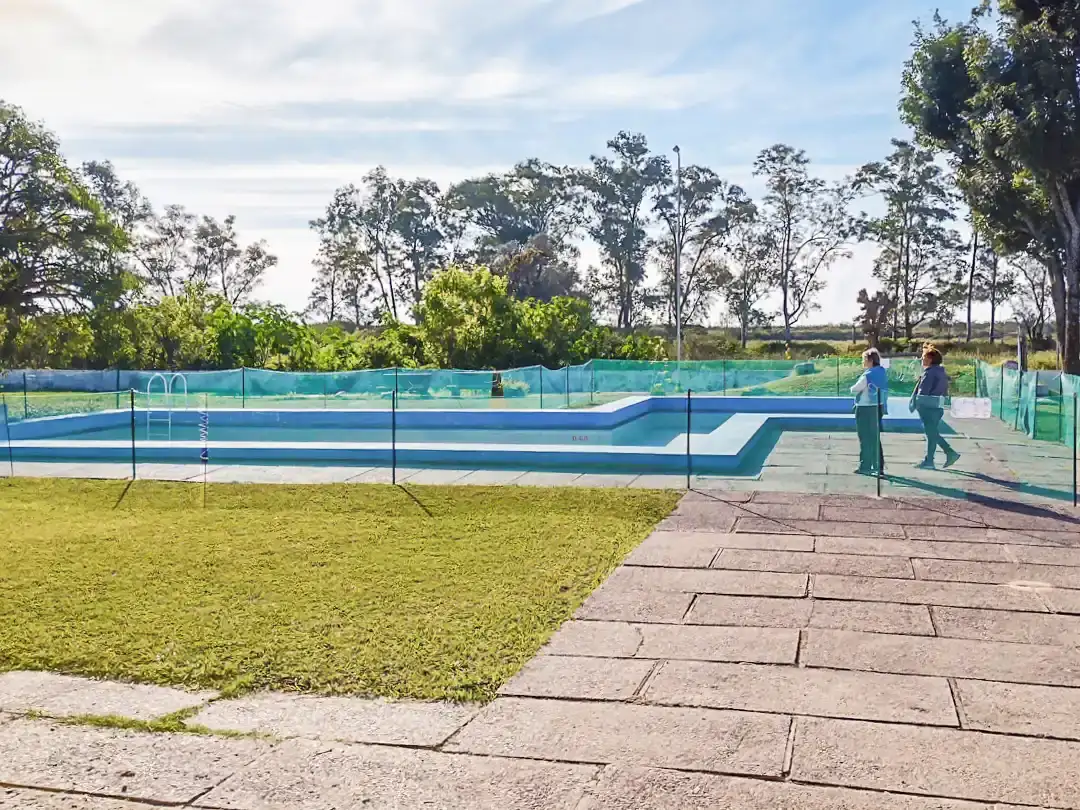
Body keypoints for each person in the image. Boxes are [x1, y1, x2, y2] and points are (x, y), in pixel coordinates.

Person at [912, 345, 960, 470]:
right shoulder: (941, 372)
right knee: (932, 433)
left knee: (932, 433)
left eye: (923, 357)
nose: (922, 360)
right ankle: (931, 460)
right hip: (937, 407)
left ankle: (947, 454)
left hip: (928, 407)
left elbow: (923, 393)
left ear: (930, 359)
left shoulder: (929, 374)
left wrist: (916, 404)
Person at [850, 347, 888, 475]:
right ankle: (879, 466)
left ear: (870, 360)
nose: (863, 362)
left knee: (865, 437)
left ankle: (865, 465)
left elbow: (855, 389)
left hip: (865, 408)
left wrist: (852, 388)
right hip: (878, 406)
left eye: (864, 359)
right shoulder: (882, 372)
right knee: (874, 437)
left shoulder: (868, 374)